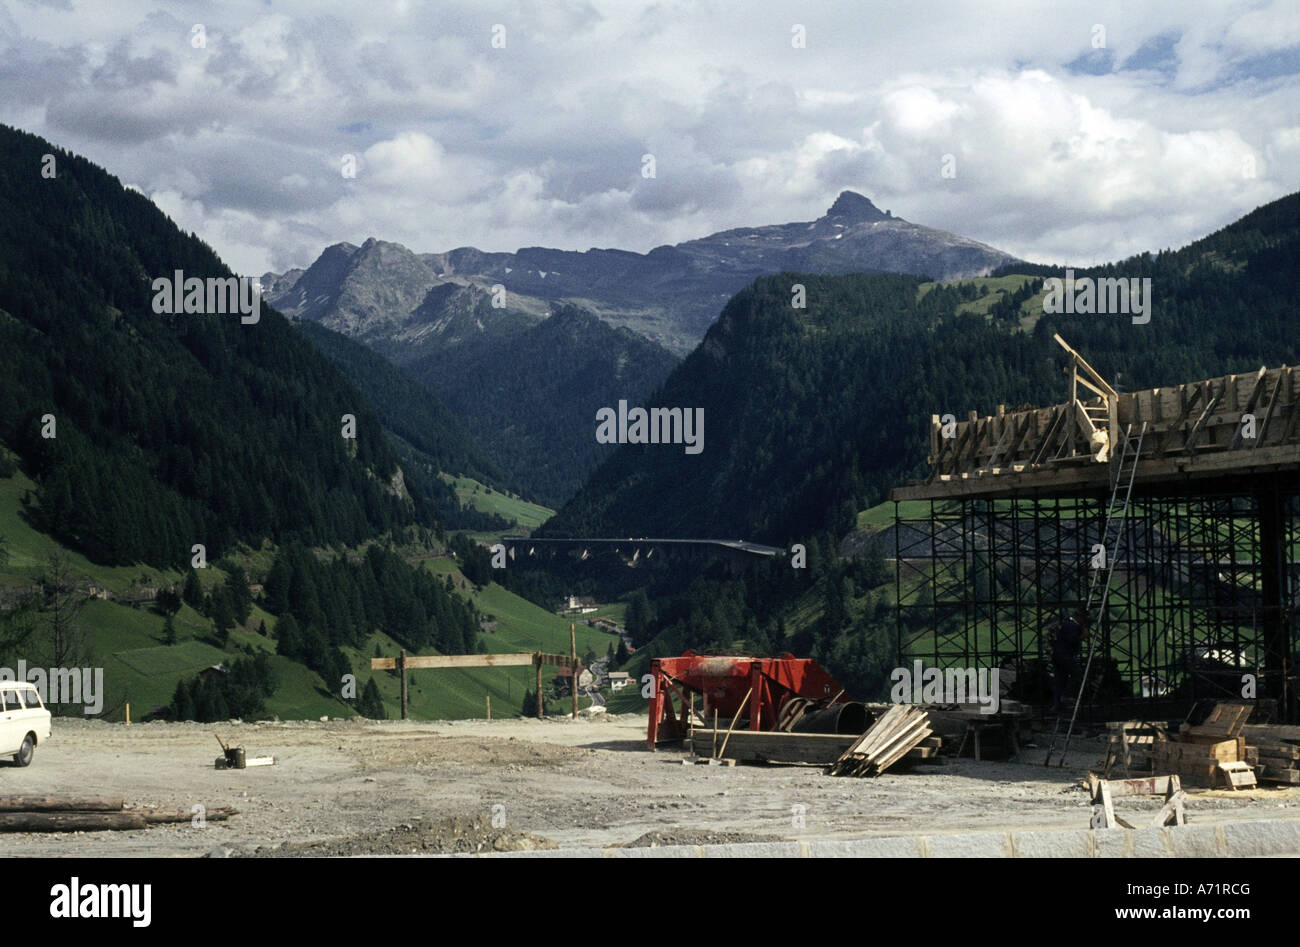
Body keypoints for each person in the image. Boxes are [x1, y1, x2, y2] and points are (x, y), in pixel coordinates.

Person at [1051, 610, 1087, 712]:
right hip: (1065, 655)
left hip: (1057, 655)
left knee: (1060, 679)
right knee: (1076, 674)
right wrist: (1082, 636)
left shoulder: (1066, 623)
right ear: (1078, 617)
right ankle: (1067, 695)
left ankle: (1057, 704)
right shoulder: (1073, 626)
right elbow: (1072, 640)